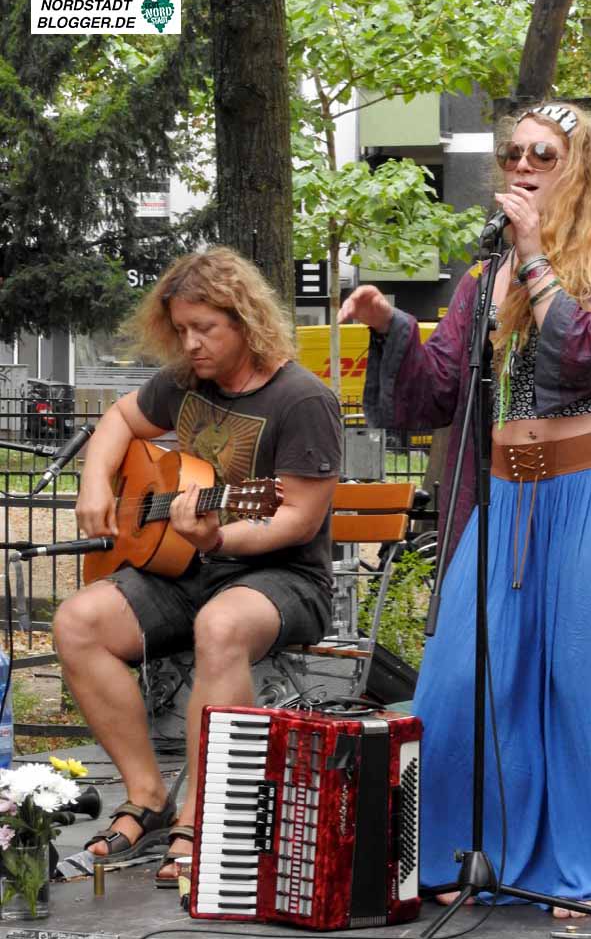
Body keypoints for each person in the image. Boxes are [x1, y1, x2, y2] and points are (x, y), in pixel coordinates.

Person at [338, 103, 591, 917]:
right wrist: (389, 325)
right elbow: (438, 390)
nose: (522, 164)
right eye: (512, 152)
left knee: (579, 688)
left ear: (579, 168)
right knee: (459, 681)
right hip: (504, 505)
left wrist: (537, 259)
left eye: (543, 152)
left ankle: (576, 875)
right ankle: (449, 852)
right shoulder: (482, 278)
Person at [53, 247, 342, 886]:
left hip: (283, 579)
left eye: (205, 328)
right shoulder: (186, 379)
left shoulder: (302, 400)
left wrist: (218, 539)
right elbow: (119, 419)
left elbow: (294, 517)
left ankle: (201, 816)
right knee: (78, 622)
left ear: (245, 321)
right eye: (181, 329)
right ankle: (147, 795)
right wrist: (95, 484)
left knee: (221, 626)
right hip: (185, 566)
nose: (191, 343)